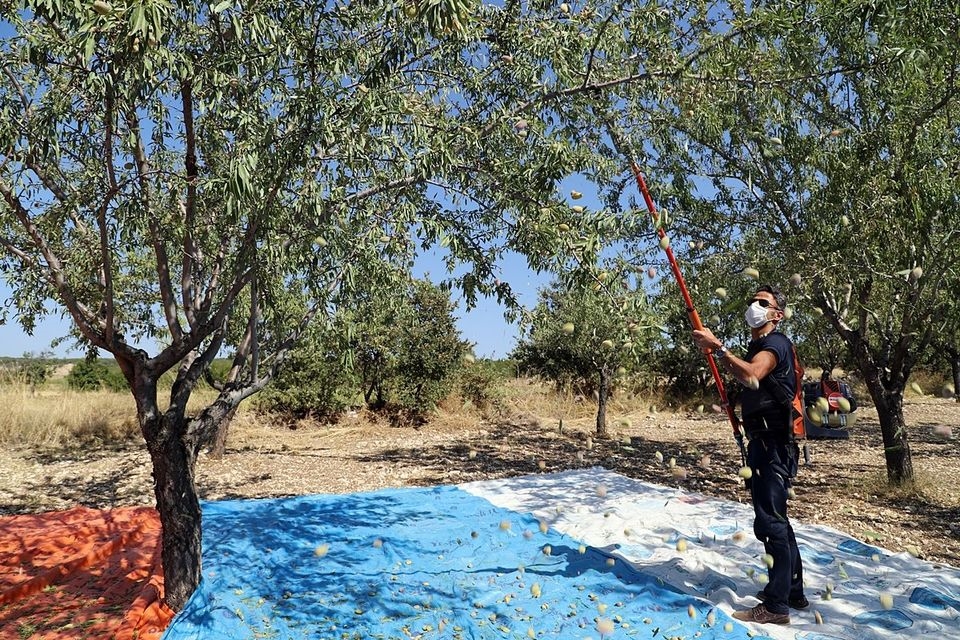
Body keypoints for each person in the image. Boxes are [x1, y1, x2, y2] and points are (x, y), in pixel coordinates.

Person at [692, 284, 808, 625]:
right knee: (777, 519)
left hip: (773, 446)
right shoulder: (760, 346)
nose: (753, 306)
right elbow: (756, 385)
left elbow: (753, 374)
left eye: (762, 302)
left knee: (770, 522)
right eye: (752, 300)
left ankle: (776, 607)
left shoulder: (775, 343)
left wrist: (719, 349)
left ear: (777, 314)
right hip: (766, 442)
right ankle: (792, 591)